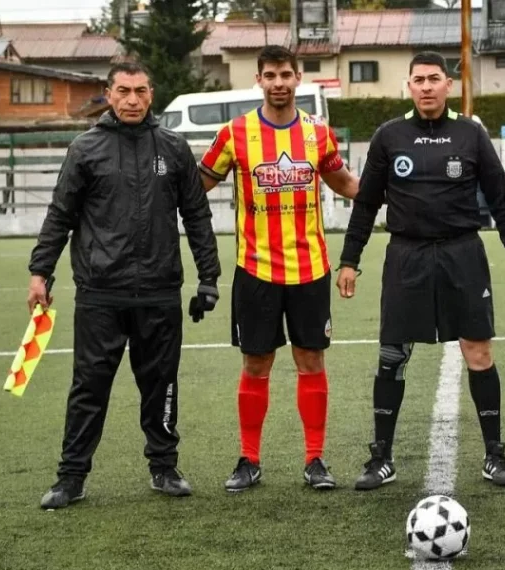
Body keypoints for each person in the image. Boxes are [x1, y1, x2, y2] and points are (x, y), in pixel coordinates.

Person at [30, 61, 222, 509]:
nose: (132, 99)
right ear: (108, 94)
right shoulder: (85, 149)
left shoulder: (174, 149)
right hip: (100, 294)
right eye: (123, 91)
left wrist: (208, 277)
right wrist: (41, 272)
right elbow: (60, 214)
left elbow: (197, 216)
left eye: (139, 90)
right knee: (89, 387)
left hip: (159, 293)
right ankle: (71, 477)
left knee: (161, 384)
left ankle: (164, 467)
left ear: (151, 93)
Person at [336, 51, 505, 491]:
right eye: (418, 79)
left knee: (478, 353)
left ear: (448, 85)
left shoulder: (471, 135)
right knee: (392, 356)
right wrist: (349, 259)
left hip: (463, 255)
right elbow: (365, 205)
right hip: (407, 256)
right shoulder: (389, 136)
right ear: (409, 85)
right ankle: (381, 456)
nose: (425, 87)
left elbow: (501, 199)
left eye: (433, 79)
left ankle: (495, 454)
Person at [198, 45, 359, 492]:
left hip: (310, 269)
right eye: (270, 75)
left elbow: (345, 183)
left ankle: (315, 460)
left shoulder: (319, 134)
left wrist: (395, 192)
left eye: (286, 74)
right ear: (259, 80)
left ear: (298, 77)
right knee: (256, 363)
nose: (279, 83)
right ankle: (249, 459)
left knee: (311, 360)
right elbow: (200, 184)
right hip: (255, 269)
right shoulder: (235, 132)